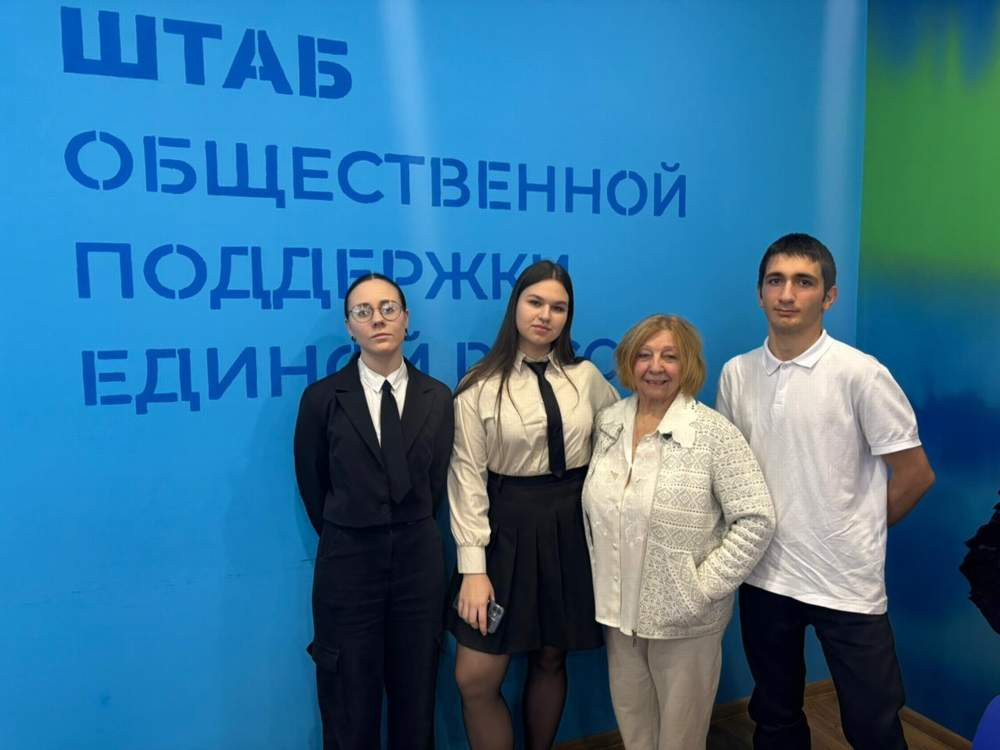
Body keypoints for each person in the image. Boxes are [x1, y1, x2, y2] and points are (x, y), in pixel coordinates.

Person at [716, 233, 936, 750]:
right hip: (764, 575)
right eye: (776, 281)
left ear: (829, 296)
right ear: (760, 293)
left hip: (845, 582)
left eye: (804, 282)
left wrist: (854, 528)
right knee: (774, 717)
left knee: (873, 724)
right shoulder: (737, 373)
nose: (787, 294)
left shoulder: (861, 374)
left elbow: (915, 475)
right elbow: (730, 473)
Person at [447, 260, 619, 750]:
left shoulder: (586, 378)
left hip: (570, 528)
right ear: (516, 306)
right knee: (474, 678)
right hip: (504, 532)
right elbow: (467, 478)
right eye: (535, 302)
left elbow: (619, 440)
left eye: (558, 307)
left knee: (550, 657)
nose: (545, 315)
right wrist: (473, 569)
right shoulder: (480, 385)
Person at [581, 314, 775, 750]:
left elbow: (756, 519)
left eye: (669, 356)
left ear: (687, 365)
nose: (656, 366)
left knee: (681, 738)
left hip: (686, 620)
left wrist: (700, 588)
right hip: (618, 612)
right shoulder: (608, 423)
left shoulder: (712, 433)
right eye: (645, 355)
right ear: (628, 362)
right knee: (634, 727)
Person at [293, 272, 454, 750]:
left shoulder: (437, 397)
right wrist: (355, 527)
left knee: (416, 692)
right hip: (348, 562)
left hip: (418, 564)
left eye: (388, 308)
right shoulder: (322, 399)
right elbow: (314, 484)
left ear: (406, 319)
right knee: (349, 696)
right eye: (363, 312)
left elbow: (435, 482)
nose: (377, 319)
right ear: (349, 326)